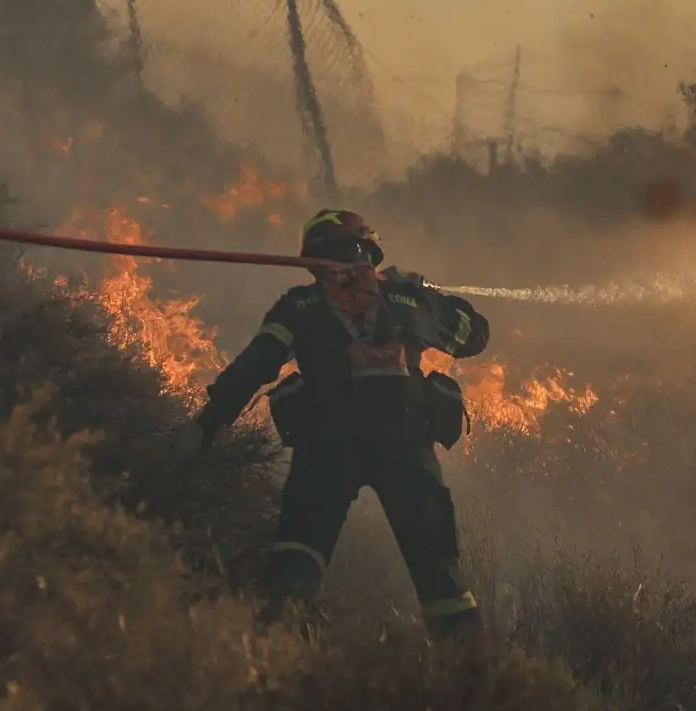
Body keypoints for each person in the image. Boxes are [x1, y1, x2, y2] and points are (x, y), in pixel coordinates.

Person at [192, 208, 490, 640]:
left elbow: (252, 370)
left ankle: (270, 666)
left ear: (311, 258)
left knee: (297, 560)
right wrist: (432, 295)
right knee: (438, 573)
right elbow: (475, 336)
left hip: (327, 440)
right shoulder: (409, 299)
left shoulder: (299, 305)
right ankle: (475, 681)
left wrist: (204, 427)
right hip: (404, 440)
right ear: (369, 249)